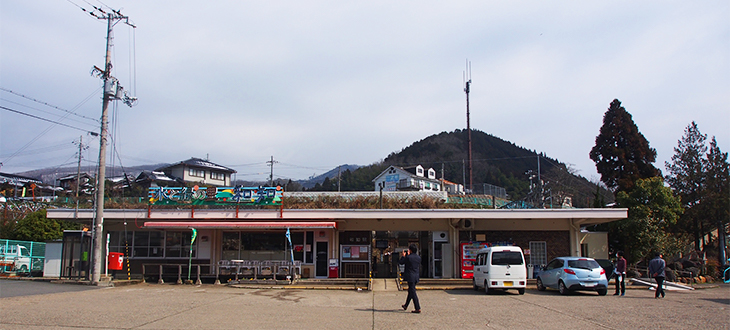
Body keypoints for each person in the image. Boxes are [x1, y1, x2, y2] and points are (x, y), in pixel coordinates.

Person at [399, 244, 421, 313]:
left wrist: (403, 256)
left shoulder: (408, 257)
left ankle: (417, 308)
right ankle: (406, 305)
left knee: (413, 292)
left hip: (410, 276)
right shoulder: (418, 257)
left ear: (410, 250)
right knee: (411, 291)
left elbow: (401, 262)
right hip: (416, 276)